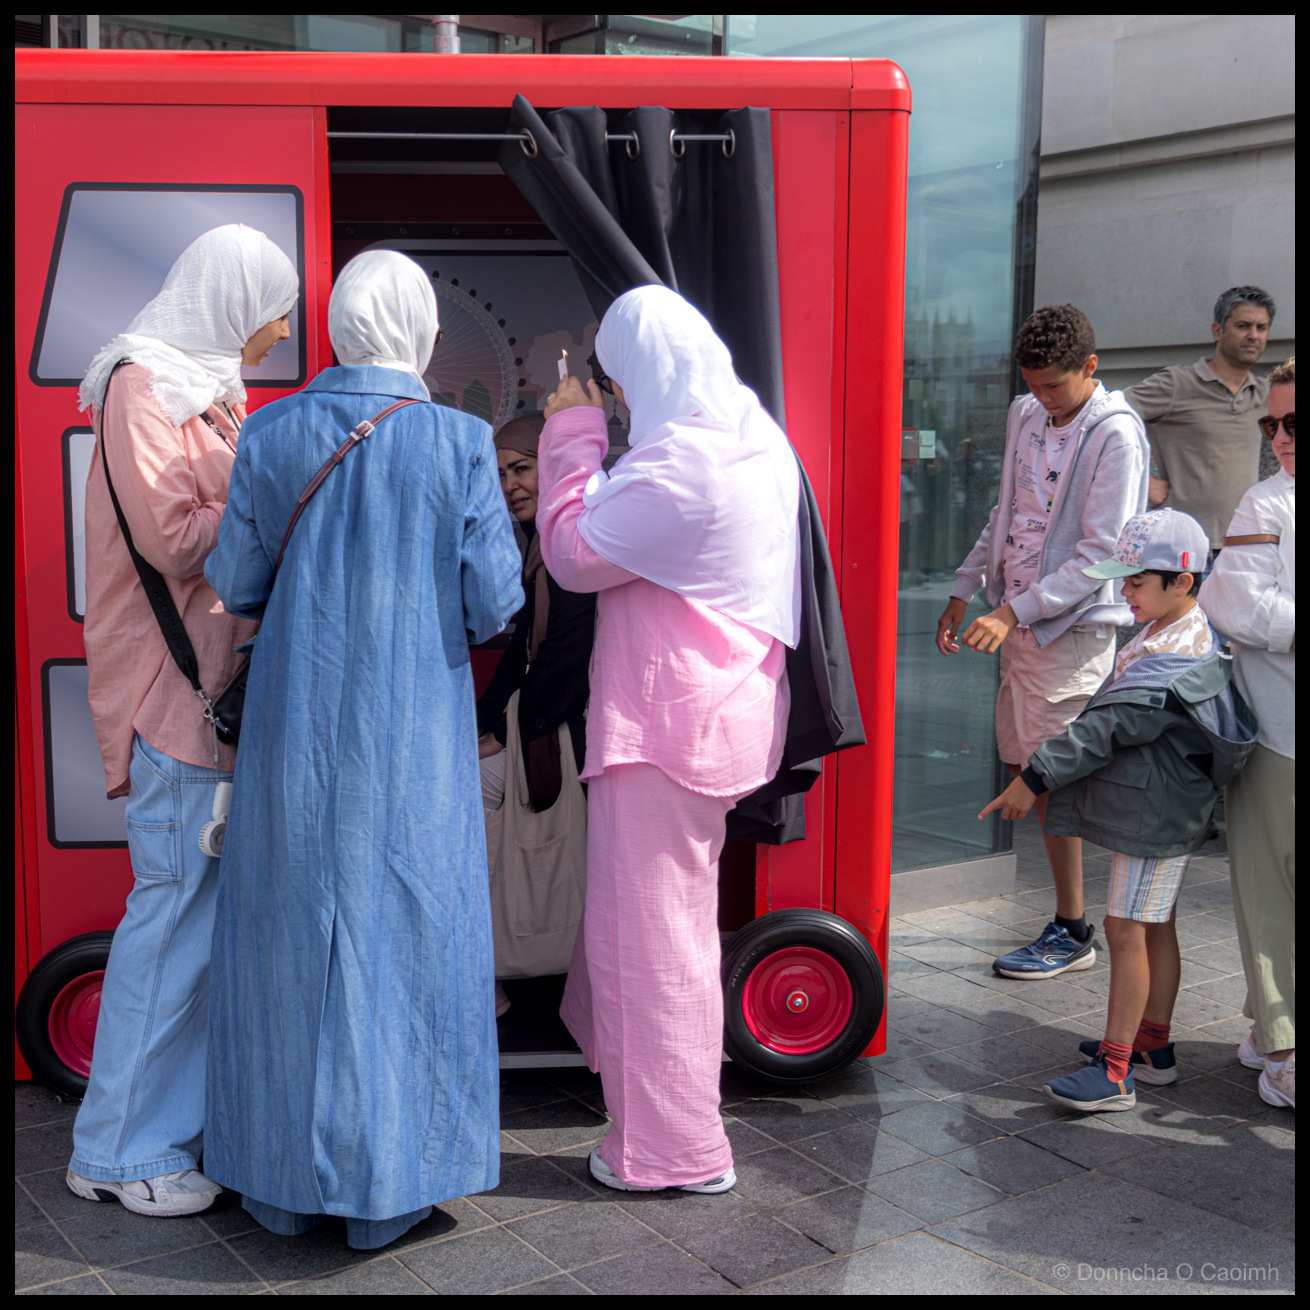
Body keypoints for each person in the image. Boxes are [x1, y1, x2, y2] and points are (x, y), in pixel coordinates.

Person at [202, 250, 522, 1249]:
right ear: (421, 328)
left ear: (338, 324)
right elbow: (492, 602)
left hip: (292, 741)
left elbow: (236, 579)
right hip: (411, 744)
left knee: (287, 945)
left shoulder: (271, 429)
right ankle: (392, 1186)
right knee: (411, 946)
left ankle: (281, 1185)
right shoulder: (461, 440)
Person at [537, 285, 801, 1194]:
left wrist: (570, 438)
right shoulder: (751, 436)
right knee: (651, 928)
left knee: (657, 942)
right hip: (716, 710)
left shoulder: (683, 465)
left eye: (613, 382)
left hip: (663, 725)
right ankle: (650, 1112)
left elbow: (574, 554)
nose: (612, 399)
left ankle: (673, 1149)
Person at [66, 223, 298, 1217]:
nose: (279, 329)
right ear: (229, 298)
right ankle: (116, 1150)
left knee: (189, 927)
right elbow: (170, 536)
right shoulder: (139, 386)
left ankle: (151, 1131)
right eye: (271, 307)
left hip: (200, 701)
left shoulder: (199, 391)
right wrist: (274, 490)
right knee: (170, 925)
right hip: (169, 699)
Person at [981, 509, 1257, 1111]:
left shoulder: (1174, 659)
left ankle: (1114, 1072)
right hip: (1165, 809)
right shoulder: (1182, 632)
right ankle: (1151, 1046)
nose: (1123, 591)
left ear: (1182, 580)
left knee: (1124, 929)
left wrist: (1034, 776)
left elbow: (1107, 726)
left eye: (1135, 581)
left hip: (1154, 816)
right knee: (1153, 925)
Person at [936, 304, 1148, 980]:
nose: (1041, 397)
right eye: (1031, 384)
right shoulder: (1026, 414)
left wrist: (1015, 610)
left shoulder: (1117, 434)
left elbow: (1108, 556)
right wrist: (965, 585)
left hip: (1073, 628)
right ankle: (1075, 922)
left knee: (1053, 777)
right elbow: (1008, 512)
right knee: (1036, 771)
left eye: (1054, 386)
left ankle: (1077, 926)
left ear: (1091, 367)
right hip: (1022, 621)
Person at [1198, 356, 1295, 1109]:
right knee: (1269, 892)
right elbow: (1232, 604)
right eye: (1272, 424)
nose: (1281, 437)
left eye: (1292, 423)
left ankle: (1270, 1028)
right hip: (1276, 735)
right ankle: (1284, 1046)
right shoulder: (1266, 503)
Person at [476, 410, 597, 1016]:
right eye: (500, 474)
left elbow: (564, 658)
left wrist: (498, 735)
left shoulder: (569, 543)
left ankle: (482, 971)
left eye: (521, 468)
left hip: (566, 736)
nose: (509, 486)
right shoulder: (542, 544)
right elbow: (521, 652)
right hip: (544, 731)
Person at [1126, 286, 1276, 558]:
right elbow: (1105, 416)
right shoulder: (1176, 384)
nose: (1253, 335)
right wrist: (1142, 480)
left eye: (1261, 327)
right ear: (1218, 331)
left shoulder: (1268, 394)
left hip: (1245, 550)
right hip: (1182, 551)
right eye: (1243, 326)